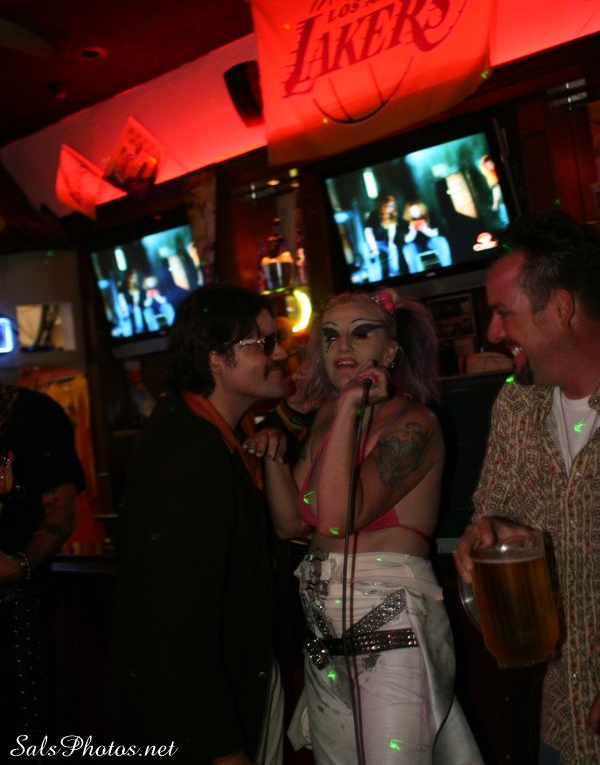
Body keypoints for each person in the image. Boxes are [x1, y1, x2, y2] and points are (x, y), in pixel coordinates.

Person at [245, 288, 482, 764]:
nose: (342, 346)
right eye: (330, 336)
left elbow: (338, 518)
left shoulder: (415, 423)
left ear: (390, 350)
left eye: (360, 333)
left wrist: (350, 406)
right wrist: (275, 453)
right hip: (321, 635)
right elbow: (291, 521)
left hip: (391, 628)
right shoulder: (328, 416)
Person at [109, 284, 288, 764]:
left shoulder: (222, 432)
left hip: (233, 686)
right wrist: (220, 746)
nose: (281, 353)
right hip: (201, 720)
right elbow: (176, 618)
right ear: (216, 360)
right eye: (265, 343)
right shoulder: (186, 454)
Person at [453, 211, 600, 765]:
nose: (492, 333)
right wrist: (484, 532)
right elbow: (492, 511)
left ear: (560, 308)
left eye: (502, 313)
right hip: (562, 718)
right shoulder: (517, 405)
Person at [0, 381, 84, 755]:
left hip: (18, 612)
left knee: (24, 730)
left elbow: (61, 509)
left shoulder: (33, 414)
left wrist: (20, 565)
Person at [401, 199, 452, 273]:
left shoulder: (430, 216)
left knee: (441, 240)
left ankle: (448, 268)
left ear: (421, 208)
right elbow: (406, 240)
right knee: (407, 248)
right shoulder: (405, 222)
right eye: (412, 211)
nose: (415, 212)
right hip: (415, 245)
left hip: (430, 242)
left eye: (416, 209)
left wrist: (425, 228)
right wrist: (412, 231)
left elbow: (435, 233)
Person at [363, 195, 405, 279]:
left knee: (393, 250)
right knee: (373, 257)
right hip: (374, 241)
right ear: (383, 205)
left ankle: (394, 274)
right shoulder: (375, 214)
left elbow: (392, 231)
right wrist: (373, 248)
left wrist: (391, 243)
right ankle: (376, 279)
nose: (391, 207)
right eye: (389, 205)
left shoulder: (393, 215)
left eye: (392, 205)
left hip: (386, 242)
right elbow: (368, 231)